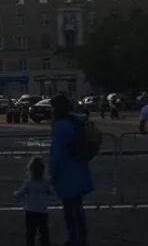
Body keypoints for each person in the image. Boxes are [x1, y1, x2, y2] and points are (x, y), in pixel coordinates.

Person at [49, 94, 94, 246]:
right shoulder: (75, 122)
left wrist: (52, 174)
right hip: (80, 168)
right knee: (78, 207)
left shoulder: (60, 126)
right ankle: (82, 238)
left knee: (69, 209)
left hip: (67, 172)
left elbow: (56, 154)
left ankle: (74, 238)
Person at [14, 156, 53, 246]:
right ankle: (45, 243)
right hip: (43, 210)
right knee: (44, 230)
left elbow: (21, 193)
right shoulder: (45, 183)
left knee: (30, 231)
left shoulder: (28, 182)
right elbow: (51, 193)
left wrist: (15, 194)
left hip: (30, 210)